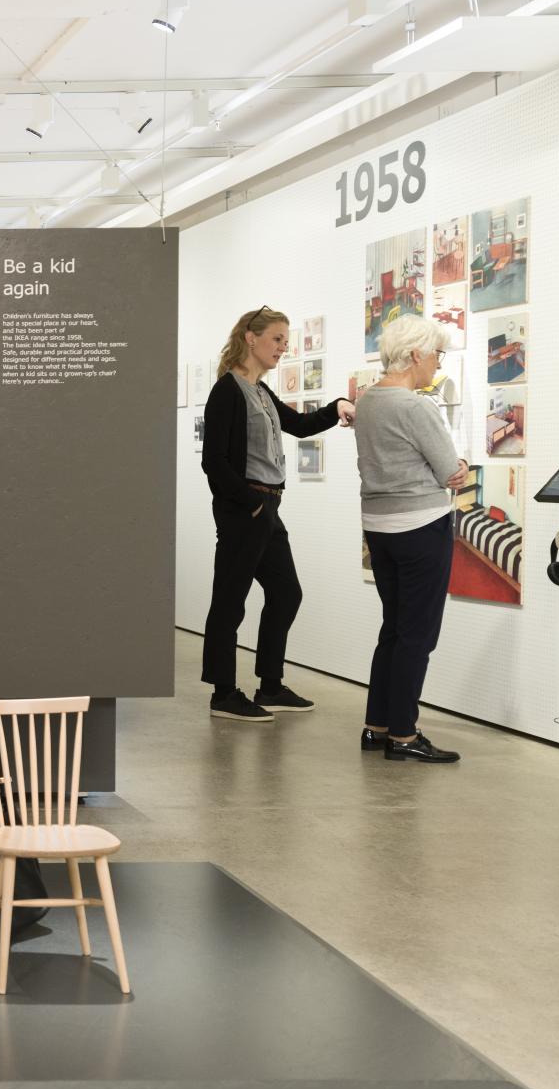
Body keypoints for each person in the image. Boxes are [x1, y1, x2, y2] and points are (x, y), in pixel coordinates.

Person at [199, 306, 355, 721]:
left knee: (286, 593)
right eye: (277, 339)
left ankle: (269, 685)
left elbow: (300, 426)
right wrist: (249, 503)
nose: (283, 348)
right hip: (244, 509)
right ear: (251, 338)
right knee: (230, 602)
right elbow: (214, 462)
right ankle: (223, 694)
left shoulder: (262, 392)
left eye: (287, 341)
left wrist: (336, 405)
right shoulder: (227, 391)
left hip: (267, 507)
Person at [354, 314, 464, 764]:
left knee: (394, 628)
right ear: (415, 354)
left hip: (378, 528)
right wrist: (454, 469)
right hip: (421, 526)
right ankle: (403, 734)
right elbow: (449, 469)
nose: (437, 363)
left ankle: (377, 726)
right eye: (436, 354)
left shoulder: (367, 402)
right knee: (418, 635)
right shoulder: (417, 406)